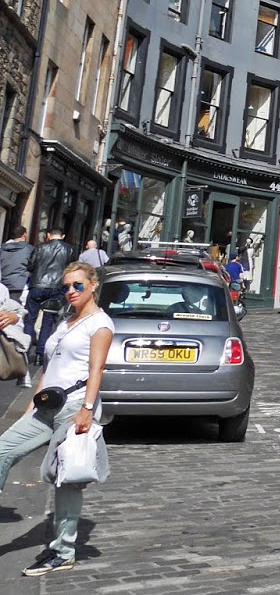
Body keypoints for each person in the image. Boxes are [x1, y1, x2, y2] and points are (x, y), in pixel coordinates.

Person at [0, 260, 113, 575]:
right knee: (3, 449)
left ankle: (63, 551)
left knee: (67, 479)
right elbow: (50, 367)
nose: (71, 291)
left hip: (75, 405)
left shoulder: (99, 324)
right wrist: (30, 406)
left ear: (93, 285)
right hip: (46, 405)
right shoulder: (67, 322)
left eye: (77, 285)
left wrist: (87, 410)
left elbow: (96, 370)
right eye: (66, 287)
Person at [24, 229, 74, 376]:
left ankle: (25, 352)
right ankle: (40, 355)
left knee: (29, 320)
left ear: (48, 236)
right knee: (47, 322)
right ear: (63, 236)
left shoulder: (40, 247)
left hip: (37, 286)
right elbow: (71, 269)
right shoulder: (69, 249)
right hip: (56, 288)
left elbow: (30, 266)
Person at [0, 228, 30, 302]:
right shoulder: (29, 249)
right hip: (19, 284)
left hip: (3, 282)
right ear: (24, 234)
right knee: (15, 309)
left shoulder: (2, 248)